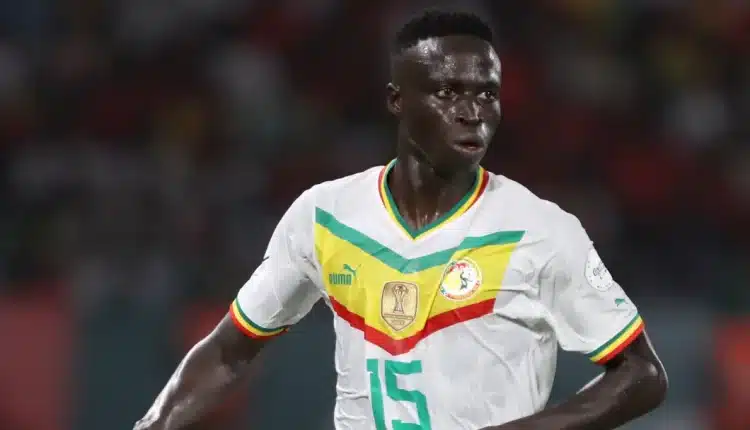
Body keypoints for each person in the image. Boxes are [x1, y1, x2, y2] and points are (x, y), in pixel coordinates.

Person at [134, 9, 667, 430]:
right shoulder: (325, 216)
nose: (472, 112)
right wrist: (152, 424)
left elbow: (642, 373)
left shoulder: (539, 230)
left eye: (486, 93)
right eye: (448, 92)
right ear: (397, 100)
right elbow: (229, 350)